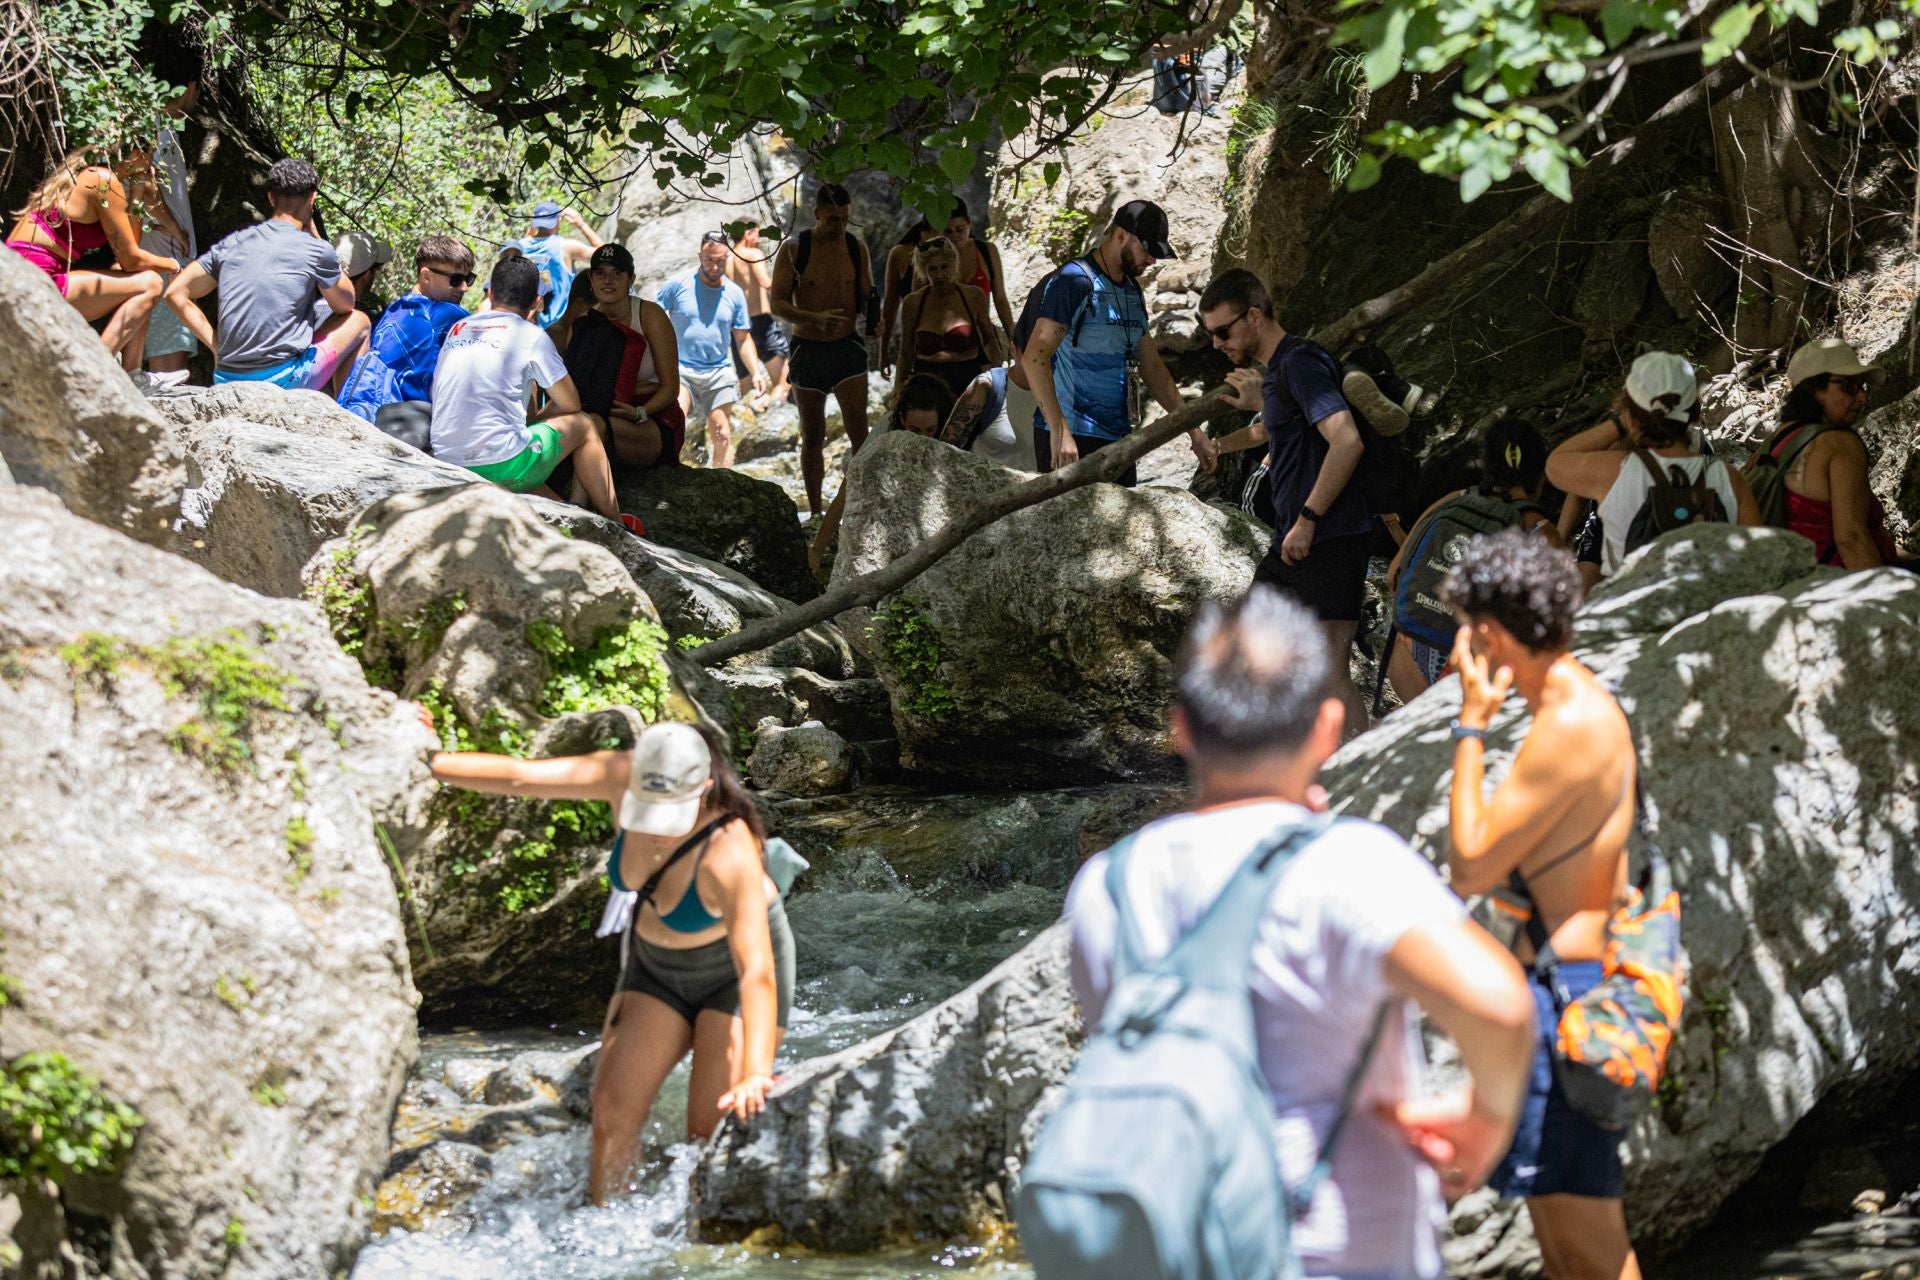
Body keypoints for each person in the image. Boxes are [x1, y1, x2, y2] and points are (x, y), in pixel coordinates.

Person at [1065, 586, 1535, 1279]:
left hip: (1171, 1237)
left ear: (1181, 730)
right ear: (1327, 727)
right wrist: (1486, 1116)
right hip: (1332, 1244)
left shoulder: (1105, 887)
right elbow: (1499, 1006)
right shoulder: (1350, 865)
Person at [423, 720, 792, 1205]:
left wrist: (755, 1073)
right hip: (654, 967)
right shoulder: (621, 773)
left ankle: (700, 1244)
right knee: (611, 1116)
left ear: (703, 788)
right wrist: (427, 758)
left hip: (732, 978)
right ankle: (605, 1225)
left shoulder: (730, 849)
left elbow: (757, 971)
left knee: (709, 1132)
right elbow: (518, 776)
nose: (656, 829)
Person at [1438, 528, 1644, 1280]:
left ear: (1490, 633)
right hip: (1553, 1002)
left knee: (1590, 1245)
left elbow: (1469, 864)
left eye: (1464, 628)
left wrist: (1471, 723)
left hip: (1575, 1008)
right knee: (1559, 1247)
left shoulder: (1569, 724)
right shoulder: (1567, 702)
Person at [1202, 267, 1370, 730]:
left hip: (1330, 537)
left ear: (1253, 316)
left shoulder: (1300, 364)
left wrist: (1310, 518)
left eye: (1222, 332)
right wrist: (1222, 445)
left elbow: (1347, 440)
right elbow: (1276, 431)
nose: (1217, 345)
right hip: (1295, 542)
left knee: (1329, 675)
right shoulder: (1278, 373)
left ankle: (1359, 778)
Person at [1018, 199, 1218, 487]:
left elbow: (1151, 366)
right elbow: (1033, 358)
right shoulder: (1074, 282)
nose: (1153, 260)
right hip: (1072, 438)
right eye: (1148, 250)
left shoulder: (1132, 290)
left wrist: (1194, 432)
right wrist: (1059, 431)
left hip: (1120, 440)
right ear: (1121, 235)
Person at [1382, 420, 1564, 702]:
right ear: (1540, 476)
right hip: (1475, 671)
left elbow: (1393, 575)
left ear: (1487, 465)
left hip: (1409, 656)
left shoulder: (1451, 501)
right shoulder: (1543, 535)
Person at [427, 255, 619, 520]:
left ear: (491, 293)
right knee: (585, 424)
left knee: (517, 454)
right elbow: (571, 404)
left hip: (447, 459)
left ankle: (572, 517)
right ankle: (617, 524)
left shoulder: (460, 327)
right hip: (502, 463)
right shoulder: (530, 335)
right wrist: (538, 418)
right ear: (536, 302)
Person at [163, 158, 371, 393]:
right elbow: (345, 305)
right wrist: (316, 237)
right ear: (312, 199)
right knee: (360, 321)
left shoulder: (235, 243)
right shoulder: (314, 248)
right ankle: (349, 415)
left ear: (271, 198)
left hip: (226, 378)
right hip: (282, 381)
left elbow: (175, 292)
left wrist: (216, 347)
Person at [1545, 351, 1759, 577]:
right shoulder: (1729, 477)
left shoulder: (1613, 470)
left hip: (1633, 604)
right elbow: (1760, 557)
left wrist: (1620, 423)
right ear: (1692, 412)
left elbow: (1556, 462)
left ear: (1630, 412)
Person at [806, 368, 1030, 571]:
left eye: (929, 430)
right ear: (901, 419)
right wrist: (817, 549)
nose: (922, 438)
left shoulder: (957, 432)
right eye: (914, 430)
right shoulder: (886, 427)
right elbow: (851, 483)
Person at [6, 148, 179, 371]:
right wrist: (174, 265)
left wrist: (136, 196)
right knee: (151, 283)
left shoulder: (84, 174)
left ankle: (132, 375)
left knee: (140, 280)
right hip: (32, 285)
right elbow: (132, 260)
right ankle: (98, 371)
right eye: (149, 153)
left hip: (31, 280)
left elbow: (130, 253)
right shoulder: (101, 179)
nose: (152, 163)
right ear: (134, 153)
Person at [770, 183, 875, 515]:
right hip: (809, 349)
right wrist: (813, 317)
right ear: (817, 215)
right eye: (832, 220)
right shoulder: (794, 249)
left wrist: (875, 318)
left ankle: (862, 506)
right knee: (812, 434)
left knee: (859, 430)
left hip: (847, 347)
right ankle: (816, 512)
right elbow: (777, 303)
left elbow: (866, 297)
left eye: (844, 219)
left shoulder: (856, 248)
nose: (839, 226)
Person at [1753, 338, 1901, 569]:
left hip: (1793, 581)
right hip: (1837, 582)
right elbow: (1851, 539)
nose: (1861, 397)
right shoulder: (1840, 444)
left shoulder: (1775, 441)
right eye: (1849, 386)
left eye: (1861, 387)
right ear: (1813, 389)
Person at [552, 245, 687, 472]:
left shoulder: (650, 315)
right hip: (600, 413)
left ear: (631, 279)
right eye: (600, 273)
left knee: (590, 425)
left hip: (650, 421)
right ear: (591, 280)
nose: (608, 280)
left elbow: (671, 387)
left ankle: (580, 505)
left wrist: (639, 412)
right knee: (570, 425)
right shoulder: (585, 322)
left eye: (617, 273)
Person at [337, 235, 476, 439]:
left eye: (468, 279)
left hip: (376, 417)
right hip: (410, 426)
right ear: (426, 276)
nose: (463, 287)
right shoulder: (446, 314)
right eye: (456, 280)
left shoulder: (394, 309)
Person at [656, 231, 766, 469]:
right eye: (709, 260)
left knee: (722, 432)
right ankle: (667, 473)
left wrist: (756, 372)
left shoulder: (735, 294)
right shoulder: (678, 285)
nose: (715, 267)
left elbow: (743, 339)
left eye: (721, 260)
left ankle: (720, 481)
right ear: (700, 255)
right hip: (681, 369)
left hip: (718, 371)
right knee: (676, 421)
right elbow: (651, 315)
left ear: (728, 256)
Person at [135, 83, 199, 377]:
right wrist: (173, 228)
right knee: (169, 373)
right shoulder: (155, 129)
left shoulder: (143, 125)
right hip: (166, 257)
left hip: (153, 256)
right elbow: (144, 185)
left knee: (160, 367)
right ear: (190, 89)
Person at [896, 236, 1003, 398]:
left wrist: (996, 374)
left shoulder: (973, 296)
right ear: (924, 270)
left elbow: (989, 338)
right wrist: (898, 387)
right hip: (926, 381)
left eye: (944, 267)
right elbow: (905, 352)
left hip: (967, 377)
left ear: (953, 264)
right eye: (932, 269)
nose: (939, 275)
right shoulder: (913, 303)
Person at [726, 219, 790, 406]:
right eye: (758, 233)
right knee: (786, 378)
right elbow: (766, 282)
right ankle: (775, 407)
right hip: (761, 322)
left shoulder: (727, 258)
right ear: (747, 234)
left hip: (738, 328)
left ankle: (751, 423)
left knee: (748, 388)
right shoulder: (752, 254)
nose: (760, 238)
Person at [517, 200, 602, 329]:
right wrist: (581, 224)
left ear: (534, 222)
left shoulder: (519, 247)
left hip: (527, 325)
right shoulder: (566, 247)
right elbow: (606, 255)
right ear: (558, 221)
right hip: (561, 326)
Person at [943, 199, 1016, 344]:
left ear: (969, 223)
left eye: (960, 229)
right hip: (944, 341)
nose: (955, 236)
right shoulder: (935, 259)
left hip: (982, 338)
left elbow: (1000, 299)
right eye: (948, 232)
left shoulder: (987, 251)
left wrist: (1013, 338)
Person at [877, 217, 939, 377]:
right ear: (923, 233)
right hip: (914, 342)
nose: (937, 248)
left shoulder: (954, 254)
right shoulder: (901, 253)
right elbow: (890, 304)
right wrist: (883, 351)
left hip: (952, 342)